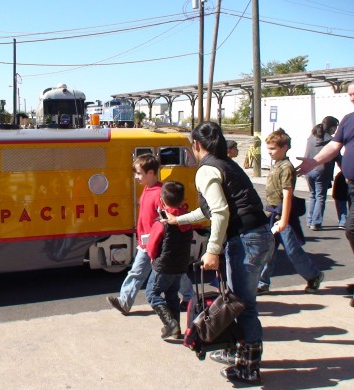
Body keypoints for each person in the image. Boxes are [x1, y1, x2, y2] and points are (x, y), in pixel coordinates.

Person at [164, 121, 274, 384]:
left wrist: (212, 250)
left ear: (196, 145)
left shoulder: (206, 170)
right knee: (240, 302)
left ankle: (248, 366)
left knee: (241, 305)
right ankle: (238, 353)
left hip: (245, 239)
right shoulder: (227, 164)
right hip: (260, 236)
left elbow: (221, 212)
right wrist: (177, 220)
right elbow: (210, 210)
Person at [297, 77, 354, 308]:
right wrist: (313, 162)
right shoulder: (349, 120)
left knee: (353, 229)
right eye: (351, 94)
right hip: (353, 185)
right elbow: (334, 146)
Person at [106, 154, 193, 314]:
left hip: (155, 243)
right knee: (171, 272)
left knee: (142, 272)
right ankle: (189, 297)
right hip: (146, 241)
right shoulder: (148, 189)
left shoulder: (160, 193)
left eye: (139, 173)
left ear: (151, 173)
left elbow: (167, 218)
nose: (136, 176)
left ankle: (125, 301)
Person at [258, 129, 324, 295]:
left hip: (282, 217)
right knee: (268, 251)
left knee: (293, 251)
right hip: (271, 216)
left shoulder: (286, 167)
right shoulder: (277, 166)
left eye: (273, 149)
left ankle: (314, 275)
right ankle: (262, 282)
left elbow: (287, 196)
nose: (270, 153)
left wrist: (284, 221)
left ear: (285, 147)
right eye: (268, 149)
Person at [145, 181, 193, 340]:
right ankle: (176, 329)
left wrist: (152, 257)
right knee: (172, 294)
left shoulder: (162, 222)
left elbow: (152, 244)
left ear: (162, 201)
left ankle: (170, 323)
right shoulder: (186, 220)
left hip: (163, 265)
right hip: (180, 265)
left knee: (153, 294)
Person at [303, 116, 339, 230]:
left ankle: (310, 221)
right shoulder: (330, 141)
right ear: (331, 127)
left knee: (313, 195)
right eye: (335, 127)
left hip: (308, 170)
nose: (336, 130)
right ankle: (316, 222)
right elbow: (337, 156)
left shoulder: (311, 137)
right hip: (322, 171)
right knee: (320, 197)